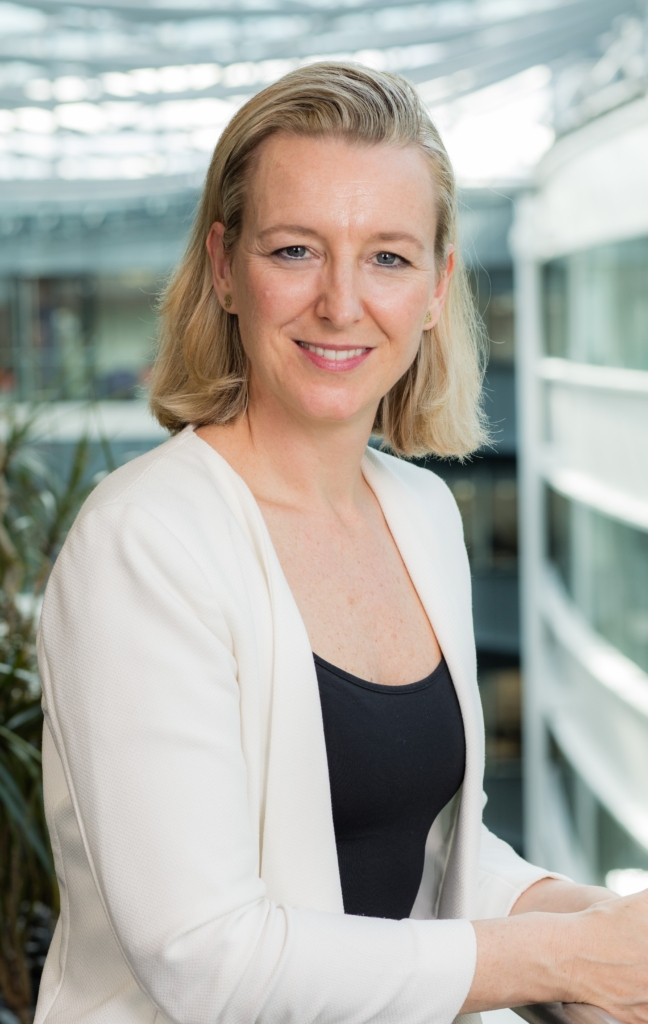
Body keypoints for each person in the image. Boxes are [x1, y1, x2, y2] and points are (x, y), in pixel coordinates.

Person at [35, 62, 648, 1024]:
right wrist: (561, 962)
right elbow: (208, 961)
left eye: (389, 259)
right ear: (224, 268)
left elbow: (426, 852)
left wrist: (598, 925)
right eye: (295, 251)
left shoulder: (422, 513)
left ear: (438, 286)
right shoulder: (142, 545)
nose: (340, 302)